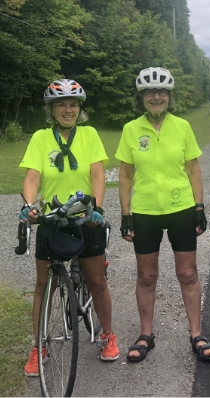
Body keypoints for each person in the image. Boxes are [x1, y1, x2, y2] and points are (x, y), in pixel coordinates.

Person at [116, 67, 210, 362]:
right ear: (142, 97)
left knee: (187, 273)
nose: (156, 96)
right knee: (147, 276)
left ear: (170, 96)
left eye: (161, 92)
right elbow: (125, 174)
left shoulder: (182, 126)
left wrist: (199, 207)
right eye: (150, 92)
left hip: (181, 209)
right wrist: (125, 214)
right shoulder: (131, 129)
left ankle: (196, 334)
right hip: (145, 211)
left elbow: (193, 169)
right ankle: (146, 334)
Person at [19, 79, 120, 376]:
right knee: (42, 286)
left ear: (80, 108)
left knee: (97, 280)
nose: (67, 109)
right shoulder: (40, 138)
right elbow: (33, 177)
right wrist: (28, 204)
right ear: (51, 109)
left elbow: (98, 175)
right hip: (51, 217)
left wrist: (97, 208)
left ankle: (108, 335)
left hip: (85, 216)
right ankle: (39, 346)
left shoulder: (89, 135)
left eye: (73, 104)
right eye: (61, 104)